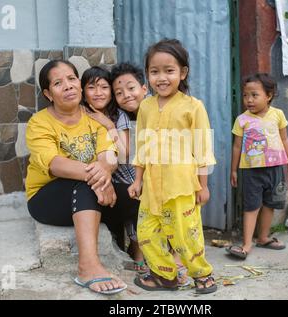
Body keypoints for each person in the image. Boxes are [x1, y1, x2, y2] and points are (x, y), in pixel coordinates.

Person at [25, 59, 127, 295]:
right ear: (48, 94)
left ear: (80, 86)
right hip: (46, 200)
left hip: (92, 190)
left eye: (72, 79)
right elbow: (55, 164)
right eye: (59, 83)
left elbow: (108, 155)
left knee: (135, 194)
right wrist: (99, 178)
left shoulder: (94, 116)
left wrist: (105, 174)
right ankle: (87, 267)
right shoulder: (39, 122)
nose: (68, 86)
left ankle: (156, 258)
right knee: (83, 185)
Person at [128, 39, 217, 294]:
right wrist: (137, 180)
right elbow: (141, 146)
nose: (161, 78)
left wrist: (203, 185)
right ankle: (164, 276)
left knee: (185, 235)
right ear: (147, 74)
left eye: (169, 70)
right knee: (146, 233)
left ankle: (203, 275)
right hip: (151, 188)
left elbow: (202, 149)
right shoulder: (145, 106)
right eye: (154, 71)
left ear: (183, 73)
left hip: (180, 186)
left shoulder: (193, 106)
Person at [111, 62, 190, 285]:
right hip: (136, 177)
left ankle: (176, 257)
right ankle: (139, 252)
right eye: (119, 92)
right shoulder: (122, 118)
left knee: (174, 210)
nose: (126, 95)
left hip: (168, 175)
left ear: (144, 88)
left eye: (131, 88)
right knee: (137, 203)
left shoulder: (163, 110)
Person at [80, 65, 149, 273]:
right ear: (83, 92)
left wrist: (108, 126)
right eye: (92, 88)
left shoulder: (119, 115)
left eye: (104, 87)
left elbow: (125, 153)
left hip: (125, 175)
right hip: (96, 178)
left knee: (133, 200)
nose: (99, 93)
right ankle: (119, 250)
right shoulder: (80, 114)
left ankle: (138, 252)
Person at [226, 73, 288, 260]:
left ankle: (263, 237)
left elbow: (284, 139)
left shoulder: (278, 115)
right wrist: (233, 170)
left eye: (254, 95)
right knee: (251, 206)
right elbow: (236, 146)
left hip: (275, 169)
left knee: (270, 204)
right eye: (245, 95)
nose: (249, 100)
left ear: (269, 95)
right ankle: (247, 244)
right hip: (251, 171)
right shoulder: (242, 119)